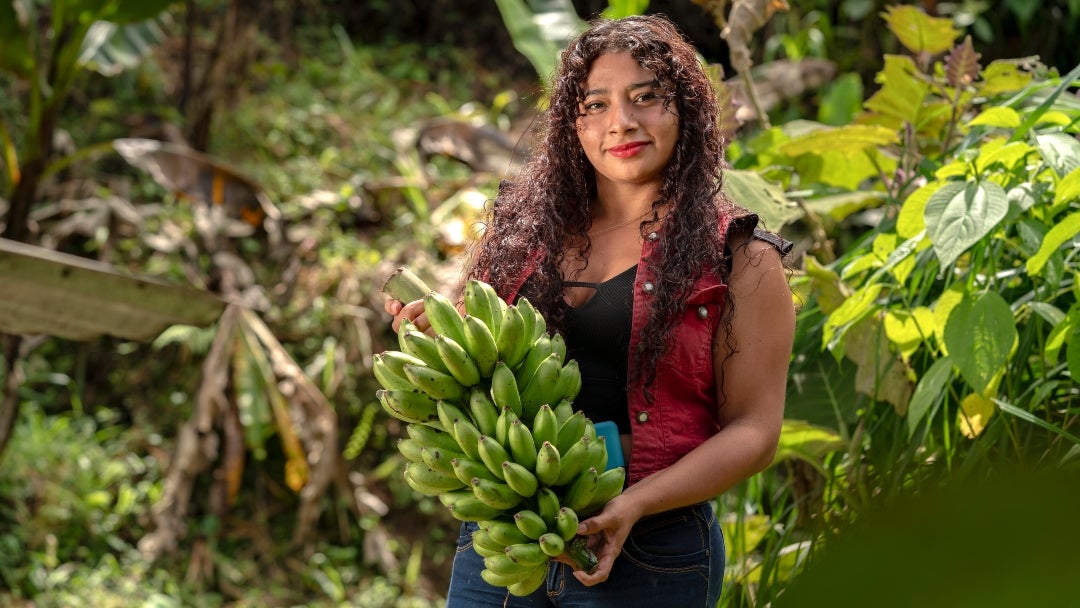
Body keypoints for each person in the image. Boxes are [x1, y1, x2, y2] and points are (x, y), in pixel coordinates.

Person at [384, 13, 795, 607]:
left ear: (686, 110)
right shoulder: (521, 236)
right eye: (596, 105)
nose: (620, 122)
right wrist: (431, 329)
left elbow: (755, 431)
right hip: (506, 535)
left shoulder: (742, 259)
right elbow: (477, 358)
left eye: (646, 97)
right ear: (571, 124)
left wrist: (634, 504)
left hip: (651, 547)